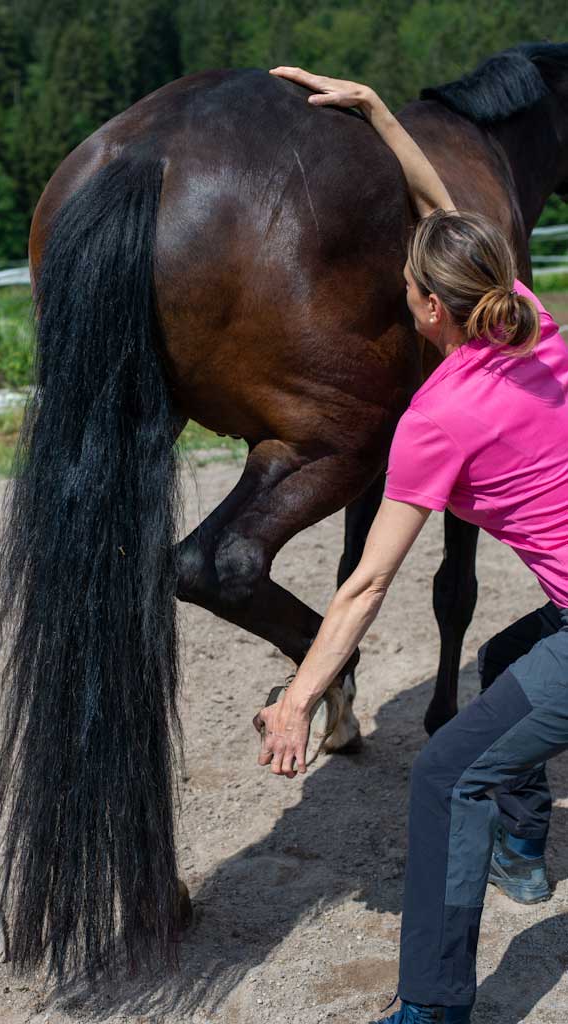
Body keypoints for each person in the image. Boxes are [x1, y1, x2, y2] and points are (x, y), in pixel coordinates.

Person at [256, 67, 568, 1024]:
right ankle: (523, 848)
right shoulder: (528, 324)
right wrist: (377, 112)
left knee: (445, 772)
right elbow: (444, 213)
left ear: (431, 311)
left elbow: (364, 584)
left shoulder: (438, 415)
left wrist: (298, 699)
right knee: (500, 658)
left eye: (406, 289)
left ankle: (431, 1009)